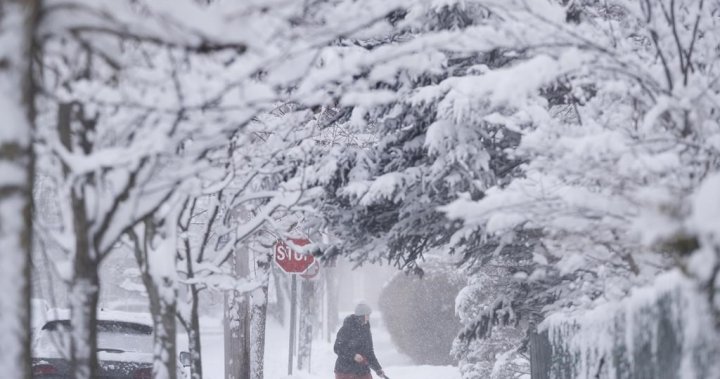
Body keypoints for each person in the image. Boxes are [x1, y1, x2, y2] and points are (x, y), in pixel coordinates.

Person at [333, 302, 387, 379]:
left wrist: (378, 369)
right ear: (361, 316)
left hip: (362, 370)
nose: (368, 318)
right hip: (345, 371)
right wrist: (353, 355)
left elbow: (369, 352)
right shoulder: (346, 328)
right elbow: (337, 348)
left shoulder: (366, 330)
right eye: (367, 315)